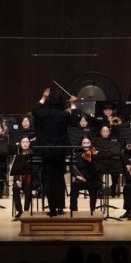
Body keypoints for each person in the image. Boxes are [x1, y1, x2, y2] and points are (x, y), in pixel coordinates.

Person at [32, 88, 79, 216]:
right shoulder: (64, 115)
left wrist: (43, 98)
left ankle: (52, 208)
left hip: (46, 151)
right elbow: (75, 120)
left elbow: (35, 111)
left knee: (48, 179)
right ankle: (60, 206)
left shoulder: (43, 113)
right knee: (59, 177)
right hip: (60, 151)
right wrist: (73, 104)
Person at [69, 135, 103, 214]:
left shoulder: (95, 153)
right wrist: (78, 176)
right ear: (81, 144)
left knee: (93, 186)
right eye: (84, 143)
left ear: (91, 143)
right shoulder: (77, 154)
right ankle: (73, 210)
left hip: (94, 179)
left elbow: (99, 169)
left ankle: (92, 210)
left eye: (88, 143)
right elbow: (73, 168)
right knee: (74, 185)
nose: (86, 145)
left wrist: (92, 159)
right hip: (82, 179)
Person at [11, 136, 33, 219]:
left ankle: (26, 210)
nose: (25, 144)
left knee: (28, 187)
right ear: (20, 144)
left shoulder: (32, 154)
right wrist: (17, 180)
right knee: (15, 188)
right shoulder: (17, 155)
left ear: (29, 143)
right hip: (19, 179)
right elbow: (14, 170)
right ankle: (19, 211)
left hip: (30, 180)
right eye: (23, 142)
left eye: (27, 142)